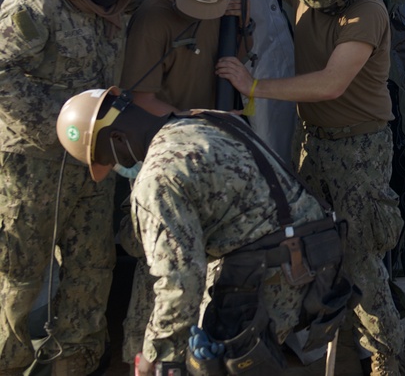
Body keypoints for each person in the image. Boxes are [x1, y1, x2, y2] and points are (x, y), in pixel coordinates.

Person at [213, 0, 405, 375]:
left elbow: (331, 83)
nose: (312, 7)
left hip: (359, 149)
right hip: (316, 143)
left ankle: (392, 363)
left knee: (362, 263)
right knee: (300, 245)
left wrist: (254, 87)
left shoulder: (365, 12)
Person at [55, 87, 355, 375]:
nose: (119, 167)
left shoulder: (157, 177)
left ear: (118, 138)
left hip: (272, 276)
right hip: (320, 256)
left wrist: (155, 357)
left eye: (109, 160)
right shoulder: (208, 118)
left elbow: (180, 283)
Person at [0, 0, 155, 376]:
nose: (120, 4)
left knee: (93, 265)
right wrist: (65, 119)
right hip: (33, 163)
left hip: (94, 160)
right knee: (21, 272)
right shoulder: (35, 5)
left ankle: (75, 361)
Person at [117, 0, 243, 361]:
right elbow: (141, 100)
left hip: (208, 155)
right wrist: (193, 124)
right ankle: (141, 356)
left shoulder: (219, 0)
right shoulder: (155, 17)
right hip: (165, 155)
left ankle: (191, 358)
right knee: (158, 269)